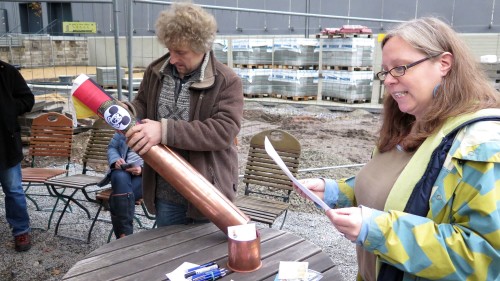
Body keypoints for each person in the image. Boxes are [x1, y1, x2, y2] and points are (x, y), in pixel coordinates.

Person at [295, 17, 500, 281]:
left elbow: (484, 256)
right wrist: (337, 191)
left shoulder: (480, 143)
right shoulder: (406, 124)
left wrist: (378, 230)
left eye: (400, 68)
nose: (389, 80)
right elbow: (402, 191)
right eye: (385, 71)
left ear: (444, 64)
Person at [124, 3, 243, 227]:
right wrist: (127, 111)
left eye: (180, 52)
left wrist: (164, 130)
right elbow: (142, 103)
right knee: (169, 256)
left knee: (206, 259)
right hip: (166, 192)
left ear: (201, 47)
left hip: (208, 192)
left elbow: (223, 131)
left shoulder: (226, 81)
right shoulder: (155, 71)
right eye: (170, 49)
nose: (172, 58)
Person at [0, 60, 35, 252]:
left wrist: (7, 107)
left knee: (13, 191)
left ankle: (21, 230)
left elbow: (28, 100)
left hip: (5, 144)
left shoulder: (7, 71)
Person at [99, 132, 143, 239]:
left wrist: (142, 170)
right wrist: (116, 161)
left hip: (144, 176)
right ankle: (126, 238)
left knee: (117, 198)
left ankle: (123, 236)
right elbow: (112, 147)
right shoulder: (126, 125)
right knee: (119, 177)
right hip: (122, 170)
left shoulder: (155, 128)